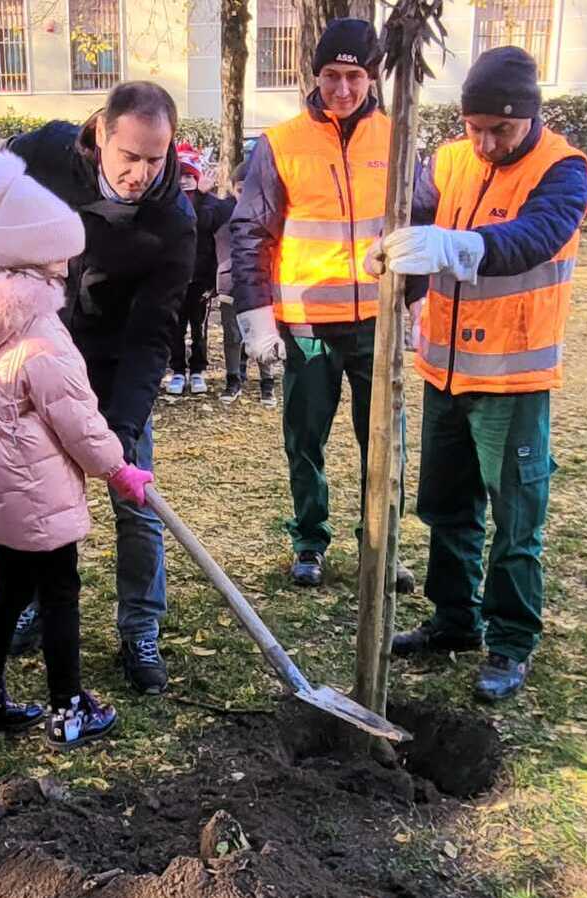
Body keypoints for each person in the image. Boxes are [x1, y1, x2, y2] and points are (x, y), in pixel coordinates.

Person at [0, 81, 195, 695]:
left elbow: (153, 335)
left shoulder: (173, 224)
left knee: (135, 504)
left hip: (110, 366)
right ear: (101, 135)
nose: (141, 172)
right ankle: (35, 599)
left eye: (155, 159)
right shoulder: (49, 152)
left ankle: (140, 625)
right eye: (129, 157)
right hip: (33, 352)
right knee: (40, 495)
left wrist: (123, 430)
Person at [371, 46, 587, 702]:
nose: (488, 142)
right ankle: (453, 619)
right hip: (444, 369)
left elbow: (534, 237)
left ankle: (511, 640)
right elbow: (411, 220)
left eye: (503, 129)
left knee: (515, 515)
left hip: (512, 378)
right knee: (447, 506)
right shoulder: (447, 160)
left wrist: (461, 245)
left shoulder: (563, 169)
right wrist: (389, 254)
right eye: (476, 128)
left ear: (530, 118)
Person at [0, 152, 155, 748]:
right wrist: (119, 469)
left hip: (0, 491)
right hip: (40, 494)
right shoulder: (41, 335)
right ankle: (69, 706)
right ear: (48, 264)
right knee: (59, 593)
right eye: (64, 261)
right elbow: (78, 420)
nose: (70, 272)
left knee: (11, 590)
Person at [231, 18, 414, 593]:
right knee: (304, 438)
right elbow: (249, 234)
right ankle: (309, 540)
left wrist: (417, 305)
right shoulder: (281, 143)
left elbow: (423, 224)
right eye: (331, 76)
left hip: (375, 324)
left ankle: (380, 547)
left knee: (383, 442)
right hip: (306, 323)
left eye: (354, 76)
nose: (342, 89)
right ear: (314, 76)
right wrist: (256, 316)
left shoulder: (398, 138)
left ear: (373, 77)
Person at [166, 144, 229, 397]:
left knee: (199, 328)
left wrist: (213, 281)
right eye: (180, 176)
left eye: (190, 176)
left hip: (200, 280)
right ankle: (178, 370)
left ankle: (198, 370)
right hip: (174, 280)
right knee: (175, 328)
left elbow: (206, 229)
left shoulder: (212, 205)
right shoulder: (167, 203)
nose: (185, 181)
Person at [216, 160, 276, 407]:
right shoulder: (220, 211)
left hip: (261, 286)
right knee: (232, 336)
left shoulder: (266, 212)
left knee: (262, 334)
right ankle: (233, 380)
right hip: (229, 284)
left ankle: (267, 383)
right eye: (240, 189)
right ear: (232, 188)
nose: (244, 194)